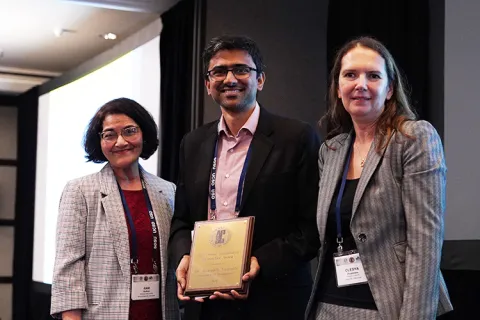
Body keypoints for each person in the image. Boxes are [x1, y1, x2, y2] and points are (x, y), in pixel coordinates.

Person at [168, 35, 320, 320]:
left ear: (260, 79)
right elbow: (181, 220)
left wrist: (258, 263)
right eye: (219, 71)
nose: (230, 78)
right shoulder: (192, 143)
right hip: (204, 303)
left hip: (272, 299)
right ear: (207, 84)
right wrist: (185, 257)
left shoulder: (296, 138)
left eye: (241, 70)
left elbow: (311, 227)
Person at [305, 36, 453, 320]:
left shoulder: (413, 138)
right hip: (328, 306)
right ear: (338, 89)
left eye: (373, 76)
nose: (360, 84)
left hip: (389, 308)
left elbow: (425, 245)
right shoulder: (331, 151)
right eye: (350, 75)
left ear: (389, 90)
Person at [50, 98, 179, 320]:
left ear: (144, 134)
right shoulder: (80, 190)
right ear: (99, 142)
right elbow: (68, 269)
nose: (121, 142)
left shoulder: (167, 191)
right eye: (110, 135)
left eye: (130, 131)